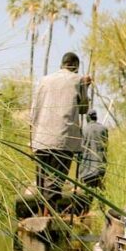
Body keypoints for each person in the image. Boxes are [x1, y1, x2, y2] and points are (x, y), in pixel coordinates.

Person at [30, 51, 91, 215]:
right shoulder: (78, 80)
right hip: (63, 138)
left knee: (42, 181)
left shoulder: (43, 80)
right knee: (55, 182)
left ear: (62, 65)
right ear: (76, 67)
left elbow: (33, 110)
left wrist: (32, 138)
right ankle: (48, 217)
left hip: (41, 138)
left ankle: (44, 215)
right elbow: (84, 109)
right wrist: (85, 87)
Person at [74, 110, 108, 217]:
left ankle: (85, 212)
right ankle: (102, 210)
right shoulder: (104, 129)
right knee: (100, 189)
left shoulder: (84, 130)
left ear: (88, 117)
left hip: (87, 167)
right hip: (101, 165)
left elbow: (80, 148)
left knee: (86, 191)